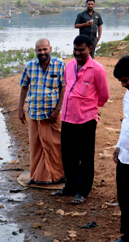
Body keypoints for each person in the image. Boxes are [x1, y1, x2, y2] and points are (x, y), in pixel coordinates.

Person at [52, 35, 109, 204]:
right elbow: (66, 87)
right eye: (75, 50)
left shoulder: (97, 69)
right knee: (68, 155)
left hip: (86, 120)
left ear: (90, 49)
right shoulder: (69, 66)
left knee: (85, 157)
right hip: (67, 117)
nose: (77, 53)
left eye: (81, 50)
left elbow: (104, 95)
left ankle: (83, 191)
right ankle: (70, 187)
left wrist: (91, 107)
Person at [18, 38, 65, 185]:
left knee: (56, 144)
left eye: (45, 49)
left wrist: (57, 110)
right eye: (39, 50)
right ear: (36, 51)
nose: (42, 52)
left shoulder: (59, 65)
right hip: (35, 113)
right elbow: (24, 87)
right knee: (36, 146)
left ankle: (58, 175)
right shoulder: (30, 66)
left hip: (52, 115)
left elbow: (64, 87)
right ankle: (39, 177)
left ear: (50, 48)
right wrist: (20, 109)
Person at [105, 56, 129, 242]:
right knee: (124, 196)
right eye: (121, 81)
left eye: (126, 80)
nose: (123, 84)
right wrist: (118, 146)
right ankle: (127, 236)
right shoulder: (128, 95)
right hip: (126, 154)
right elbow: (126, 124)